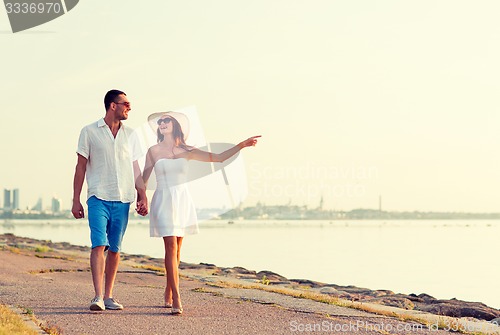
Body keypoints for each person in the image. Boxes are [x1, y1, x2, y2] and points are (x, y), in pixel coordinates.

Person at [143, 111, 260, 314]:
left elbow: (218, 157)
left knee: (178, 249)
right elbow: (143, 178)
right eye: (160, 121)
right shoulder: (153, 151)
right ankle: (177, 299)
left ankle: (169, 289)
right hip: (163, 198)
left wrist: (241, 145)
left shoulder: (188, 150)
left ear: (176, 125)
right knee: (170, 246)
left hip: (182, 199)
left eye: (166, 120)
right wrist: (140, 197)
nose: (162, 123)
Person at [72, 89, 148, 311]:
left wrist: (143, 195)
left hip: (123, 198)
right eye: (126, 103)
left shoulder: (131, 135)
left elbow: (136, 169)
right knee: (99, 244)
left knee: (114, 249)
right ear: (112, 105)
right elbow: (80, 167)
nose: (129, 107)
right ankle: (97, 296)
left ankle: (109, 296)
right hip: (97, 196)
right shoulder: (89, 132)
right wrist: (75, 200)